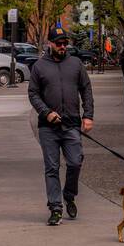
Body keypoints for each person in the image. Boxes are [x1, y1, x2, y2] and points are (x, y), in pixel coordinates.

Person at [28, 30, 94, 226]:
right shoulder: (39, 66)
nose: (62, 47)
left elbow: (86, 89)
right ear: (50, 44)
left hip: (71, 124)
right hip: (48, 127)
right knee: (52, 168)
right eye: (58, 44)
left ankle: (69, 194)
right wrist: (46, 112)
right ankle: (55, 208)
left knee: (75, 162)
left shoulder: (76, 64)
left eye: (65, 43)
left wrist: (88, 115)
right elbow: (33, 93)